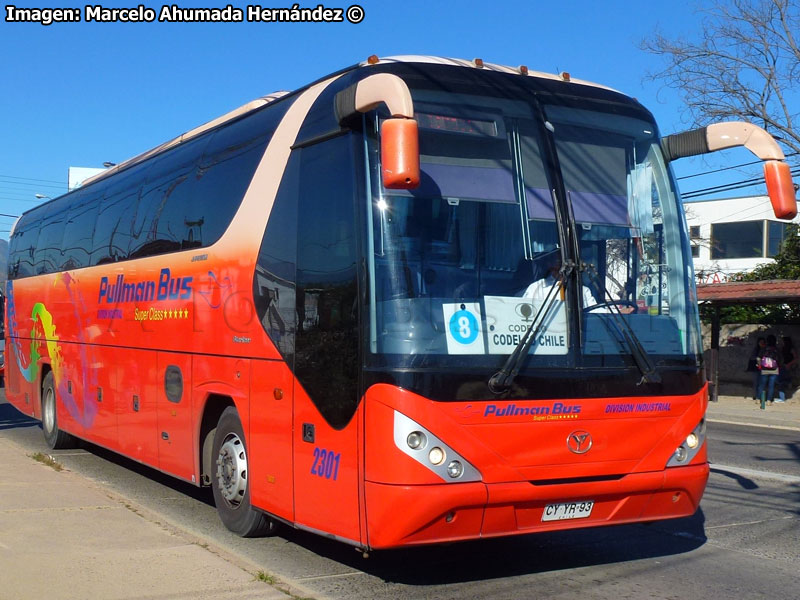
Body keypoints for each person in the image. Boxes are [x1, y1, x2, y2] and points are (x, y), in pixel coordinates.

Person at [522, 255, 604, 310]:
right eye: (558, 263)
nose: (562, 268)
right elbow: (526, 313)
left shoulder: (583, 290)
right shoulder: (536, 288)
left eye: (566, 265)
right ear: (550, 265)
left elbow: (595, 312)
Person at [756, 334, 780, 404]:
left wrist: (760, 365)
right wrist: (779, 365)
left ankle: (758, 399)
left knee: (762, 384)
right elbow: (781, 359)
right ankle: (769, 400)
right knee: (771, 385)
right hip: (774, 369)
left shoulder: (764, 348)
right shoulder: (777, 349)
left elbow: (758, 358)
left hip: (764, 369)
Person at [776, 336, 797, 402]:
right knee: (780, 381)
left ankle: (782, 398)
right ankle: (788, 382)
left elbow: (796, 358)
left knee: (781, 382)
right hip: (782, 366)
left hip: (787, 366)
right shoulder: (783, 348)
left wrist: (789, 364)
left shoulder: (791, 349)